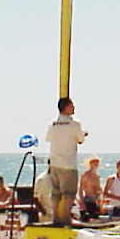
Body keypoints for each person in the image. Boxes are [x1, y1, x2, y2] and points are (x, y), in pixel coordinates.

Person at [45, 97, 88, 226]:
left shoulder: (52, 123)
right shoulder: (75, 123)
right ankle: (67, 218)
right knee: (69, 192)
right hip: (68, 163)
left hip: (54, 162)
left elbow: (48, 138)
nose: (74, 107)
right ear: (67, 107)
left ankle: (55, 217)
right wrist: (82, 135)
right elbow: (80, 139)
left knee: (55, 192)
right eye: (72, 105)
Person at [79, 156, 102, 222]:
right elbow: (81, 189)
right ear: (90, 164)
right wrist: (82, 202)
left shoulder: (97, 176)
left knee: (95, 219)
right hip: (88, 200)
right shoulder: (85, 175)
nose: (96, 165)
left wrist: (100, 200)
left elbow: (98, 189)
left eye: (97, 163)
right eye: (94, 163)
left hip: (96, 201)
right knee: (87, 219)